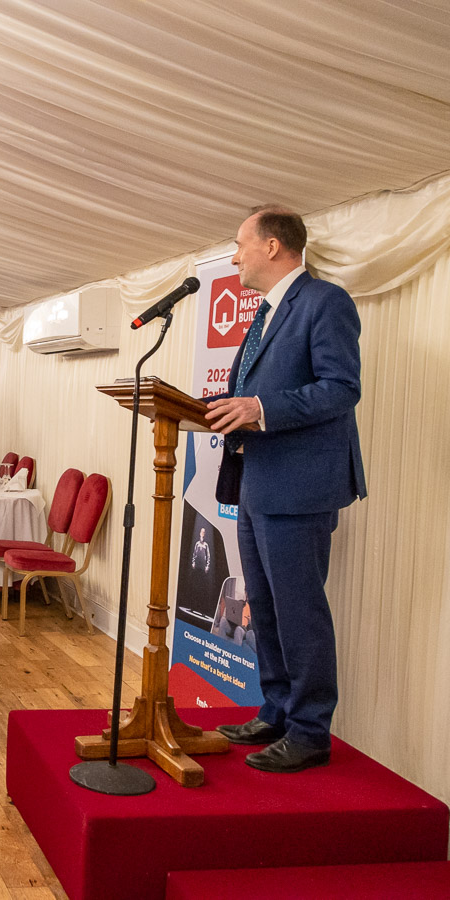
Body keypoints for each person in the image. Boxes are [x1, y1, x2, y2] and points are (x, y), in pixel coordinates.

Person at [205, 206, 366, 774]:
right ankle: (275, 708)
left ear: (273, 247)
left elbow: (342, 389)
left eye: (240, 244)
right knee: (266, 607)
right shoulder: (266, 314)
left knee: (300, 611)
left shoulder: (325, 302)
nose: (234, 256)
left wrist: (261, 407)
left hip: (301, 486)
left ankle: (310, 730)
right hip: (257, 482)